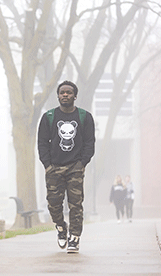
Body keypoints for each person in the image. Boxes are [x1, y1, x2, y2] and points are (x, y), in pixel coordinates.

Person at [37, 80, 95, 253]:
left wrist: (82, 163)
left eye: (69, 92)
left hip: (75, 168)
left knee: (75, 205)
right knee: (53, 204)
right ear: (58, 95)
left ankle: (75, 238)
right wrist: (47, 166)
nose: (65, 95)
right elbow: (42, 143)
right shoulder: (49, 117)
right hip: (54, 168)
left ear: (75, 96)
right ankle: (61, 227)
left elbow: (89, 143)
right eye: (62, 92)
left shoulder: (85, 117)